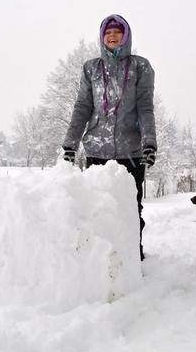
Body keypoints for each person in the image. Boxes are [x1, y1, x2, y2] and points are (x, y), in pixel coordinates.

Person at [62, 14, 157, 261]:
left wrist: (149, 142)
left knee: (130, 208)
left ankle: (133, 258)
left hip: (131, 152)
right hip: (96, 151)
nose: (112, 36)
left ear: (125, 36)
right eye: (108, 33)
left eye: (117, 32)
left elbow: (145, 107)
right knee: (96, 207)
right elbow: (82, 107)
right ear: (102, 37)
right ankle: (101, 261)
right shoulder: (91, 68)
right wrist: (70, 144)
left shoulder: (140, 66)